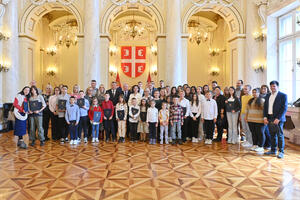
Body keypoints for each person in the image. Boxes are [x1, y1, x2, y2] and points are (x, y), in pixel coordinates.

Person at [263, 81, 288, 159]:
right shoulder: (267, 95)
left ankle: (281, 152)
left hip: (278, 119)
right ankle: (273, 150)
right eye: (271, 86)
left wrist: (278, 118)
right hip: (269, 117)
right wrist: (265, 117)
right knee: (272, 135)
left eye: (274, 86)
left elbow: (284, 108)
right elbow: (265, 108)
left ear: (277, 86)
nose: (272, 88)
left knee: (279, 135)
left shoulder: (283, 95)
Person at [245, 88, 265, 152]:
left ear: (259, 93)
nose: (254, 93)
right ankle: (255, 144)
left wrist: (265, 118)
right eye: (253, 92)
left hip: (259, 120)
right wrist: (246, 117)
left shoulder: (262, 100)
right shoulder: (250, 100)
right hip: (251, 120)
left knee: (260, 133)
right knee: (253, 133)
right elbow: (247, 109)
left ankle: (261, 146)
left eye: (256, 92)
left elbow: (265, 110)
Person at [260, 84, 271, 149]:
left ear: (267, 90)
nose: (263, 90)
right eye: (262, 88)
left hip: (267, 116)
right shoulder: (259, 97)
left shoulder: (269, 97)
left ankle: (269, 144)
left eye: (265, 89)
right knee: (262, 131)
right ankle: (264, 144)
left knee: (266, 131)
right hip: (260, 116)